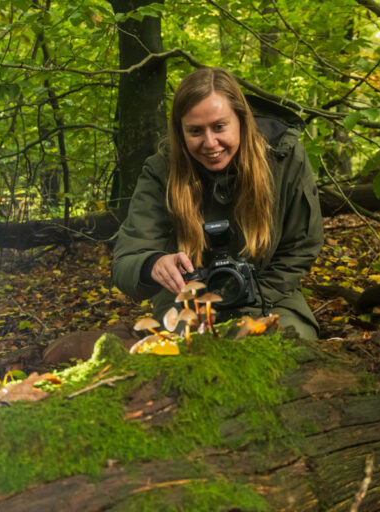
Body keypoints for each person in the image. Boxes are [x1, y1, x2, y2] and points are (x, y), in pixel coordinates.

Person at [112, 67, 323, 339]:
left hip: (272, 297)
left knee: (288, 349)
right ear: (181, 132)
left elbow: (302, 246)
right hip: (187, 302)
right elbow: (127, 260)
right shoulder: (161, 170)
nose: (210, 143)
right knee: (179, 362)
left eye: (219, 127)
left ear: (241, 120)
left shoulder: (284, 158)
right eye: (196, 131)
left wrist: (252, 298)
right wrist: (152, 263)